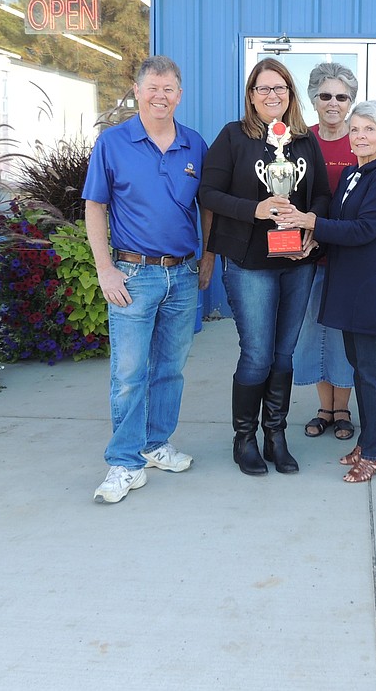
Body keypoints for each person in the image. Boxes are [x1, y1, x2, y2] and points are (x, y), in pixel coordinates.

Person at [84, 55, 214, 505]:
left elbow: (207, 206)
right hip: (132, 275)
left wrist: (208, 256)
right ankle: (124, 462)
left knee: (170, 370)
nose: (161, 96)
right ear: (137, 91)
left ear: (180, 94)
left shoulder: (194, 145)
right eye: (153, 88)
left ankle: (156, 443)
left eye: (169, 89)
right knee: (128, 373)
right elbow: (95, 207)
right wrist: (104, 268)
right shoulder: (113, 143)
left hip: (181, 274)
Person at [200, 58, 331, 476]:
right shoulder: (233, 136)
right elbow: (208, 193)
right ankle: (245, 439)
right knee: (257, 355)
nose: (272, 95)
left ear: (290, 95)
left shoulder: (305, 140)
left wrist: (312, 229)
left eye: (280, 88)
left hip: (298, 261)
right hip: (250, 262)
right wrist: (255, 209)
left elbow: (323, 196)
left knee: (284, 354)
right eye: (263, 89)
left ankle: (276, 434)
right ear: (251, 95)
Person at [279, 101, 376, 483]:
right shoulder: (355, 172)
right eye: (356, 130)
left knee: (371, 372)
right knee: (361, 367)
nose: (361, 136)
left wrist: (311, 222)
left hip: (372, 288)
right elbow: (338, 224)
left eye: (370, 129)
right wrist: (310, 240)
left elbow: (365, 229)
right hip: (352, 285)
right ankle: (368, 442)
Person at [293, 63, 359, 442]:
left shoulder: (362, 137)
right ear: (314, 99)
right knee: (313, 331)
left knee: (342, 333)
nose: (333, 103)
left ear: (351, 101)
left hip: (349, 254)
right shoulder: (301, 140)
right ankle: (323, 408)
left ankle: (343, 408)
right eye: (325, 95)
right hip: (307, 253)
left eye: (342, 96)